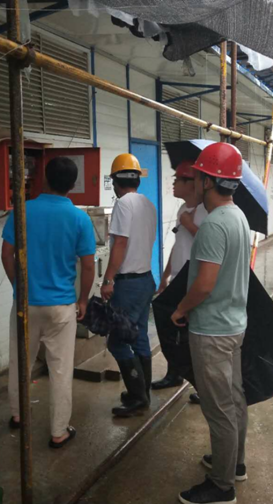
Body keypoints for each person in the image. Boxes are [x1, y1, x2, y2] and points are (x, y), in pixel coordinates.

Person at [171, 143, 251, 504]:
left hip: (212, 330)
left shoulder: (214, 225)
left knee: (218, 409)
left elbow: (204, 285)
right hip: (233, 325)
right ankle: (234, 463)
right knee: (234, 399)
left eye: (198, 176)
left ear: (207, 181)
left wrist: (181, 309)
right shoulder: (238, 216)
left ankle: (221, 486)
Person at [2, 157, 96, 448]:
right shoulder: (80, 218)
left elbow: (7, 254)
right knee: (60, 370)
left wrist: (19, 287)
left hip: (25, 304)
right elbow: (88, 266)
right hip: (61, 307)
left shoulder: (22, 211)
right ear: (73, 185)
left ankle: (18, 415)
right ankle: (58, 431)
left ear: (43, 178)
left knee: (21, 362)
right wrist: (83, 300)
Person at [100, 153, 156, 417]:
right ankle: (143, 392)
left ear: (116, 181)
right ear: (137, 180)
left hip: (128, 284)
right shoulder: (148, 203)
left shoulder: (123, 204)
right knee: (140, 337)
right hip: (145, 280)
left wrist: (108, 279)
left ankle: (137, 396)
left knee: (118, 342)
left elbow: (120, 244)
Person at [152, 160, 207, 400]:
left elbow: (209, 243)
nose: (173, 184)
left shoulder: (206, 211)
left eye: (178, 180)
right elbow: (178, 244)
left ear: (192, 183)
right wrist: (165, 275)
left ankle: (204, 387)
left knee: (195, 335)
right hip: (178, 278)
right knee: (171, 329)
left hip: (195, 279)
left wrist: (190, 225)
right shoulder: (183, 209)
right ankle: (174, 373)